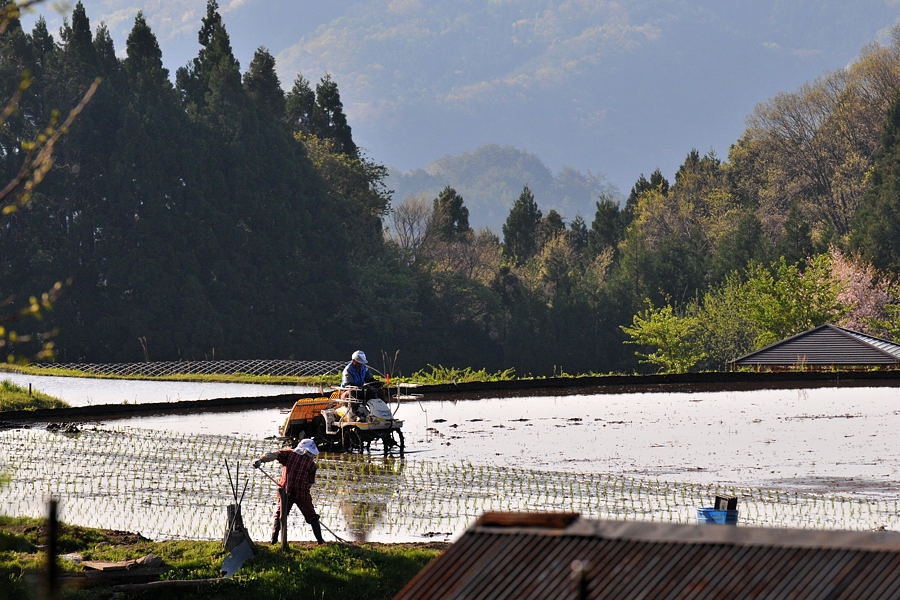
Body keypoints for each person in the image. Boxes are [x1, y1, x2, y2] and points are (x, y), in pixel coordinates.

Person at [253, 438, 325, 544]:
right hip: (299, 493)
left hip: (288, 491)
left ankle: (273, 540)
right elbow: (310, 483)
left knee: (281, 514)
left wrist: (260, 460)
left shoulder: (290, 455)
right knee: (310, 515)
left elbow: (272, 455)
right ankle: (320, 541)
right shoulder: (309, 463)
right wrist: (260, 461)